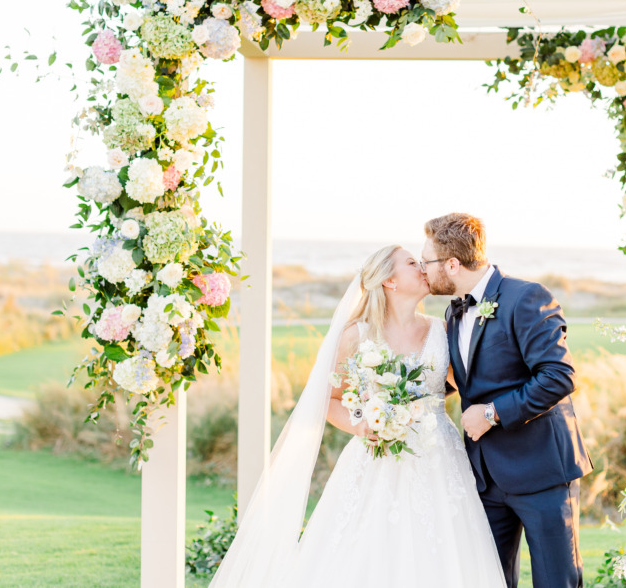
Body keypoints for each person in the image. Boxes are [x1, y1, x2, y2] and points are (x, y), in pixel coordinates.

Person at [210, 245, 506, 587]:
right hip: (376, 458)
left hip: (439, 458)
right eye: (412, 263)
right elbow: (331, 400)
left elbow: (472, 387)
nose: (423, 266)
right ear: (390, 281)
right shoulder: (357, 335)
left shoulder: (441, 330)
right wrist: (363, 425)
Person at [422, 213, 594, 588]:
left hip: (542, 471)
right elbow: (466, 377)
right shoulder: (453, 310)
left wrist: (492, 413)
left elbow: (558, 376)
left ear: (451, 263)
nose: (423, 270)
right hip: (484, 476)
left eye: (427, 261)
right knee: (489, 580)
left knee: (555, 581)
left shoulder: (526, 297)